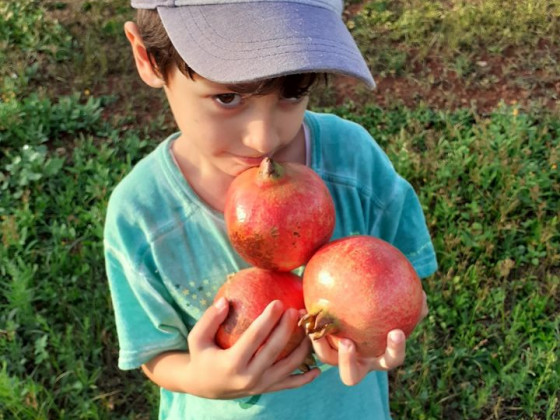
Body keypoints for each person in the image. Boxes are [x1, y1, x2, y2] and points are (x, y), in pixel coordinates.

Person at [104, 0, 438, 418]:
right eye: (227, 97)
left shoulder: (354, 162)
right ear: (149, 58)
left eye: (293, 92)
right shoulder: (142, 215)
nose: (264, 140)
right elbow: (155, 353)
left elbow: (408, 284)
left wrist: (391, 322)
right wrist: (202, 380)